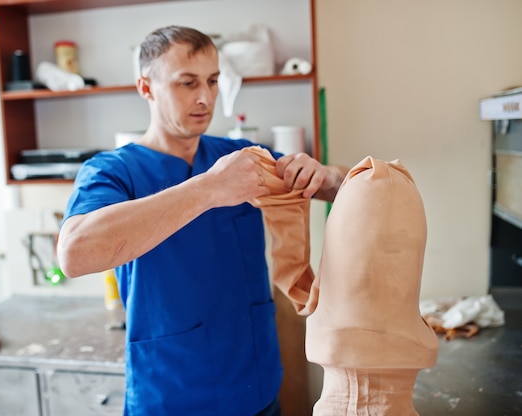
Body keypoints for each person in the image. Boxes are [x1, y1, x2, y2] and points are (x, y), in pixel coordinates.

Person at [57, 25, 348, 416]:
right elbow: (75, 253)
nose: (205, 97)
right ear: (146, 87)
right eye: (187, 83)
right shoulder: (112, 171)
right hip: (171, 395)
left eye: (212, 81)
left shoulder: (242, 157)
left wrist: (325, 176)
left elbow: (348, 189)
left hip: (256, 388)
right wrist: (208, 189)